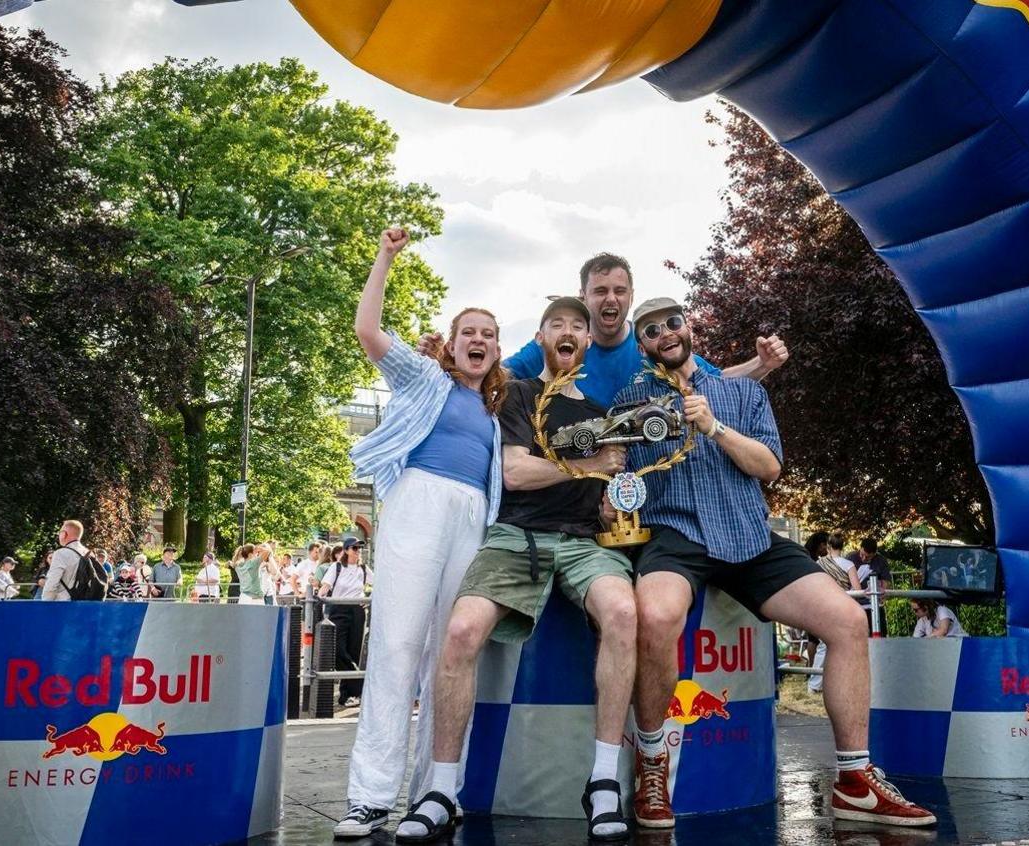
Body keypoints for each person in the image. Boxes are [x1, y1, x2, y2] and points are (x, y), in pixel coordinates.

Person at [615, 297, 935, 829]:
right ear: (642, 345)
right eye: (650, 330)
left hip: (748, 534)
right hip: (676, 535)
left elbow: (769, 467)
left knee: (850, 621)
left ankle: (854, 781)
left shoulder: (743, 392)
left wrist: (715, 427)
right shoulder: (631, 402)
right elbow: (618, 475)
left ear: (688, 326)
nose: (665, 334)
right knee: (656, 616)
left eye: (672, 322)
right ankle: (653, 761)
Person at [396, 296, 638, 844]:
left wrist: (611, 499)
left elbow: (603, 496)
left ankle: (603, 784)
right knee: (460, 632)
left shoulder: (603, 413)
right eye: (557, 323)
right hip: (515, 537)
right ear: (543, 338)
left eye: (578, 324)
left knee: (623, 613)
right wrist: (589, 464)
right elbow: (515, 473)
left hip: (582, 542)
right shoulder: (519, 393)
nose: (569, 330)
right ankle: (440, 790)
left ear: (587, 341)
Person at [334, 227, 508, 841]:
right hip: (417, 502)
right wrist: (385, 255)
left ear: (495, 350)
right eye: (469, 333)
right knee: (397, 646)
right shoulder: (424, 379)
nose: (478, 341)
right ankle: (370, 797)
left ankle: (438, 792)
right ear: (453, 344)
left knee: (450, 654)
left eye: (488, 334)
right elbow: (368, 332)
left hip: (473, 518)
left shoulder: (498, 410)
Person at [421, 253, 790, 408]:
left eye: (618, 290)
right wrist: (440, 359)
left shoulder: (653, 344)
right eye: (599, 291)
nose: (609, 299)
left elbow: (717, 381)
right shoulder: (555, 345)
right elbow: (490, 373)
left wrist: (763, 363)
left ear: (630, 296)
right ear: (583, 295)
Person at [804, 531, 860, 693]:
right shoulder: (848, 565)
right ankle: (843, 683)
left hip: (823, 606)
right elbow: (857, 590)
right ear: (842, 546)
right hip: (842, 606)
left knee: (823, 646)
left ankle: (814, 685)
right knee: (845, 646)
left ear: (828, 546)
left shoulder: (819, 564)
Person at [321, 539, 370, 707]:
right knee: (337, 649)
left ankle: (347, 696)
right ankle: (357, 682)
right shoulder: (337, 566)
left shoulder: (363, 569)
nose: (358, 551)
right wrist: (317, 599)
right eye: (355, 548)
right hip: (339, 608)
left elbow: (380, 583)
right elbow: (325, 586)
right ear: (346, 550)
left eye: (360, 548)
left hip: (357, 610)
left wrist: (368, 599)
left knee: (353, 650)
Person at [42, 520, 90, 601]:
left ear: (64, 534)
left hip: (63, 605)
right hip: (84, 604)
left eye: (60, 532)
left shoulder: (60, 554)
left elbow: (51, 584)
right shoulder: (89, 553)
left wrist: (45, 605)